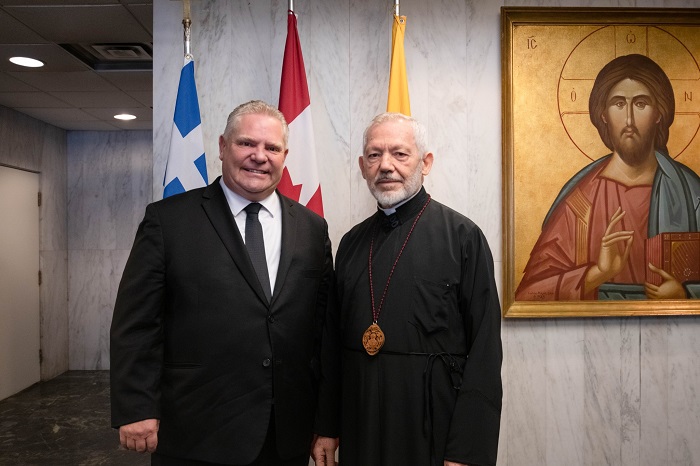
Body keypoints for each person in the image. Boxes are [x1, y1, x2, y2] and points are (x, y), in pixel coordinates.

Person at [110, 100, 340, 466]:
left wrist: (326, 421)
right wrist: (136, 406)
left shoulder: (312, 229)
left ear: (284, 156)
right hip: (196, 432)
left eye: (272, 148)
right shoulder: (168, 221)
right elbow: (137, 324)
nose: (259, 156)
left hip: (285, 434)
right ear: (222, 146)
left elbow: (324, 333)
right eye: (246, 143)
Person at [326, 112, 503, 465]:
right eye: (374, 155)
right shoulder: (351, 243)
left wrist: (466, 451)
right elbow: (331, 344)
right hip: (361, 424)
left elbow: (485, 351)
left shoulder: (463, 237)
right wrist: (327, 425)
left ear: (426, 163)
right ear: (362, 166)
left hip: (432, 429)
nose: (385, 165)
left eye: (400, 154)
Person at [516, 54, 700, 301]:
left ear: (659, 113)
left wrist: (685, 295)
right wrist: (598, 273)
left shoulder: (690, 193)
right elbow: (529, 295)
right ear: (603, 114)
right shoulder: (581, 200)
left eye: (641, 104)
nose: (629, 121)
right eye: (619, 104)